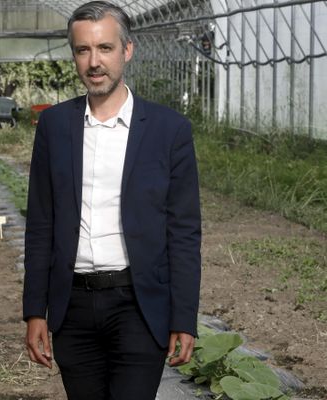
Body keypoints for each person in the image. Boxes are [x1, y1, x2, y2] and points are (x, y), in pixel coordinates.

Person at [22, 2, 201, 399]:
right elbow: (41, 224)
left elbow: (184, 232)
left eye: (104, 48)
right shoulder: (55, 125)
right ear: (73, 56)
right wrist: (35, 311)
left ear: (127, 50)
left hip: (138, 305)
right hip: (74, 307)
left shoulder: (168, 130)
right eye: (83, 50)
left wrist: (184, 317)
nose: (94, 62)